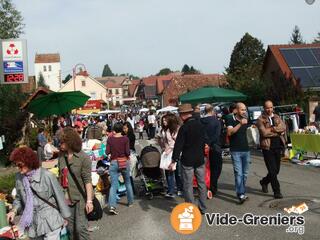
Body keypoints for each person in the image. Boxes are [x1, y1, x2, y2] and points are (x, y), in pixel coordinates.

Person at [7, 147, 71, 239]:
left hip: (51, 221)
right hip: (33, 224)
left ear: (28, 162)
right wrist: (13, 211)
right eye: (16, 165)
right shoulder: (19, 178)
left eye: (20, 165)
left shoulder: (47, 176)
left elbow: (60, 197)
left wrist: (65, 218)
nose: (18, 168)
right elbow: (18, 198)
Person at [169, 104, 207, 214]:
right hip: (200, 158)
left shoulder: (184, 128)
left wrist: (174, 160)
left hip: (188, 160)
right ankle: (203, 207)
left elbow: (178, 146)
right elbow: (205, 140)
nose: (179, 117)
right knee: (201, 183)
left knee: (188, 185)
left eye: (180, 114)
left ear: (183, 115)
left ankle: (191, 209)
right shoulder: (200, 124)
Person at [58, 127, 94, 240]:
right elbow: (60, 177)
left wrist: (89, 201)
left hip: (80, 198)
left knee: (81, 229)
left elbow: (87, 181)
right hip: (66, 198)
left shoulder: (83, 158)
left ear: (69, 142)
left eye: (62, 142)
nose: (60, 144)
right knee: (70, 229)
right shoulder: (61, 157)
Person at [256, 100, 286, 199]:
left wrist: (272, 129)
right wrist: (277, 131)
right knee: (272, 171)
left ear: (273, 107)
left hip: (278, 146)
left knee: (276, 170)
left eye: (271, 107)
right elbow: (264, 133)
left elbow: (284, 127)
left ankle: (264, 182)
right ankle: (277, 191)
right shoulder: (260, 119)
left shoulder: (277, 117)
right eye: (267, 108)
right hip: (267, 147)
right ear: (264, 108)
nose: (269, 110)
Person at [106, 123, 134, 215]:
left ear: (114, 129)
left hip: (114, 162)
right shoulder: (125, 138)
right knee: (127, 182)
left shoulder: (110, 139)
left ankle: (112, 206)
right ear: (121, 129)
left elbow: (107, 152)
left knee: (113, 185)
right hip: (124, 162)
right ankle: (130, 202)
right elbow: (127, 152)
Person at [226, 102, 250, 204]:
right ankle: (240, 194)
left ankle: (242, 192)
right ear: (236, 110)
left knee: (244, 174)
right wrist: (240, 124)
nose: (244, 111)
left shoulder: (246, 119)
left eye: (245, 109)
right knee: (238, 174)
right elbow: (230, 132)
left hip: (246, 150)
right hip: (235, 150)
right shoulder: (230, 118)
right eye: (242, 109)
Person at [200, 104, 222, 196]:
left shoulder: (200, 121)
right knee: (216, 168)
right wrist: (209, 143)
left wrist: (205, 143)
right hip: (214, 147)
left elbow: (200, 134)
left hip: (202, 147)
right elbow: (217, 135)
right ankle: (213, 187)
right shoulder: (216, 121)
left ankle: (204, 187)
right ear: (213, 111)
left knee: (204, 168)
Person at [158, 113, 182, 198]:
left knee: (177, 172)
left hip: (175, 153)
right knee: (168, 172)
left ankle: (178, 189)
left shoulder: (175, 129)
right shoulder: (163, 130)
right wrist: (163, 147)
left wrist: (170, 148)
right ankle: (171, 190)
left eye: (165, 120)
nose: (164, 122)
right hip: (166, 153)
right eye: (163, 120)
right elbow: (160, 139)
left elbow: (178, 143)